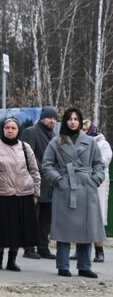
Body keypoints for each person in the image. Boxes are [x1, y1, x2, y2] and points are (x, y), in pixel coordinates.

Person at [40, 107, 104, 278]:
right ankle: (63, 266)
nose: (73, 122)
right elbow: (46, 165)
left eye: (76, 119)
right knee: (64, 229)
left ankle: (84, 266)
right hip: (65, 189)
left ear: (80, 121)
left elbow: (99, 164)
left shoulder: (90, 142)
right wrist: (59, 180)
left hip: (87, 188)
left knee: (87, 228)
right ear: (65, 121)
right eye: (69, 119)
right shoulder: (56, 141)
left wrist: (95, 179)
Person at [0, 116, 41, 272]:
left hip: (23, 194)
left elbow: (34, 171)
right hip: (1, 194)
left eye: (13, 128)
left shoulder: (25, 147)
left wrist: (36, 193)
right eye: (7, 128)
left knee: (18, 230)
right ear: (2, 129)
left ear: (18, 130)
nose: (9, 130)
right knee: (0, 229)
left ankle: (12, 261)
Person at [22, 106, 58, 259]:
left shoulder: (54, 136)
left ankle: (43, 247)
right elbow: (27, 155)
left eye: (55, 118)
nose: (52, 121)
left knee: (46, 218)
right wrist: (45, 170)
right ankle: (29, 248)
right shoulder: (30, 132)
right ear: (43, 117)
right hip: (35, 182)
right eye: (49, 117)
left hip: (50, 183)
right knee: (33, 216)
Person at [82, 121, 110, 262]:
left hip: (98, 184)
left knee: (97, 218)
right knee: (81, 218)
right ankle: (81, 250)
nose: (83, 131)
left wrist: (86, 166)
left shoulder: (102, 144)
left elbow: (103, 162)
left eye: (85, 129)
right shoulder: (79, 143)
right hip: (82, 182)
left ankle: (99, 251)